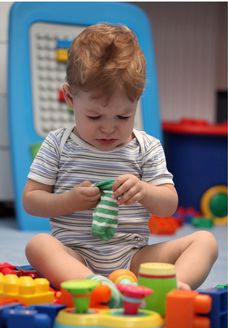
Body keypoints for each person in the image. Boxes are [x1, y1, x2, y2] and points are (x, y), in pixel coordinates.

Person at [23, 24, 217, 306]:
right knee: (38, 245)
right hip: (76, 255)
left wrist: (145, 191)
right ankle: (93, 285)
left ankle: (172, 290)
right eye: (94, 117)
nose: (108, 129)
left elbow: (168, 204)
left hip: (134, 258)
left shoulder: (145, 147)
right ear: (69, 98)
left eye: (123, 117)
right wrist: (69, 201)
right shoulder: (58, 144)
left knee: (205, 241)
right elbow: (31, 200)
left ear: (136, 102)